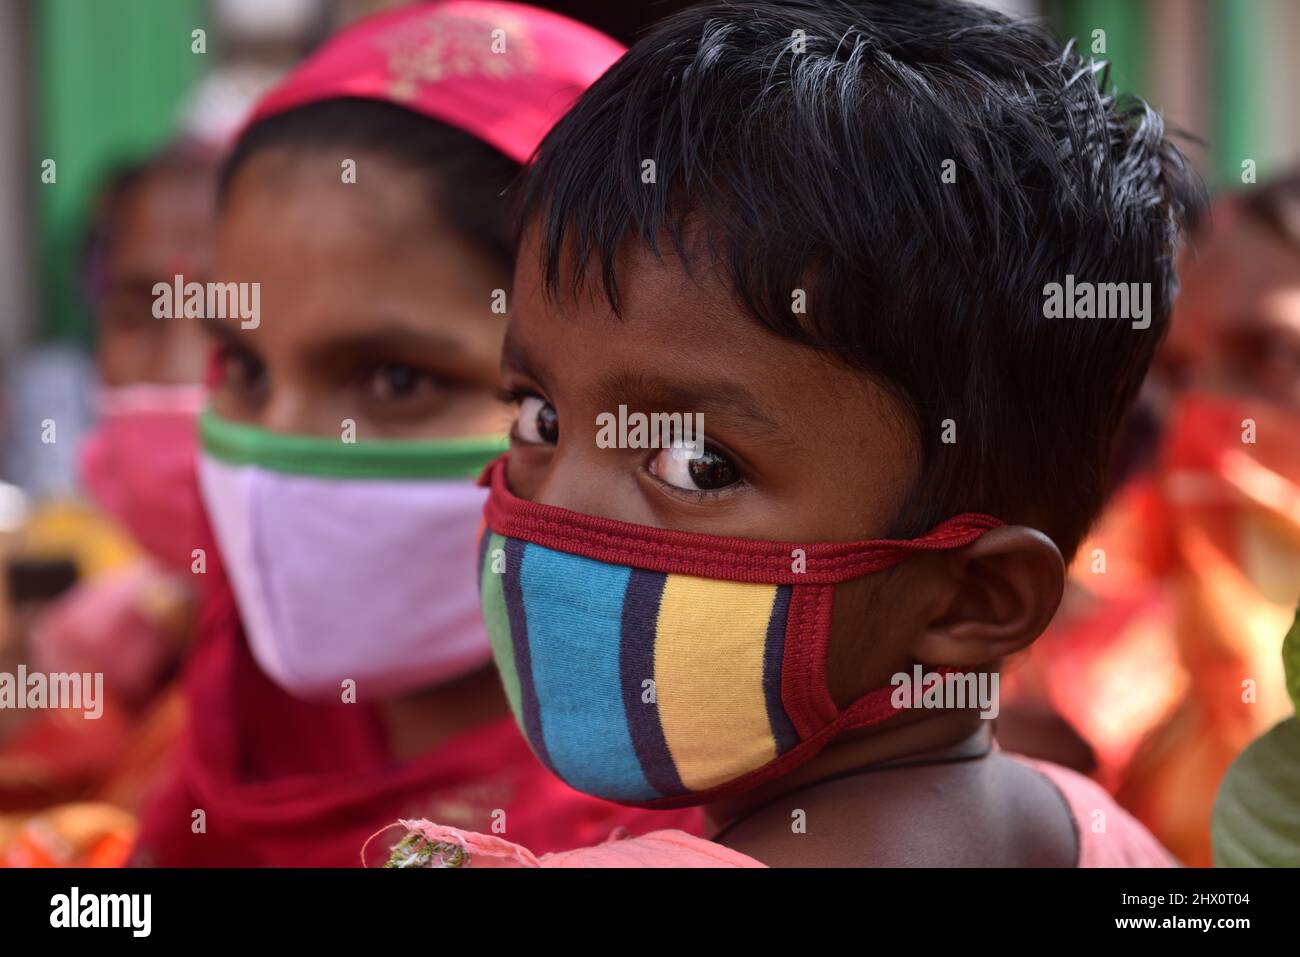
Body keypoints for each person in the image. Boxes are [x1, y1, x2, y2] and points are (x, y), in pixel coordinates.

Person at [390, 0, 1201, 867]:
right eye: (538, 417)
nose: (555, 509)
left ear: (974, 599)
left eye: (698, 464)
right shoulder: (1117, 841)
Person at [132, 0, 700, 867]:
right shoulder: (235, 714)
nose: (276, 457)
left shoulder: (701, 811)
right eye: (244, 370)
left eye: (397, 379)